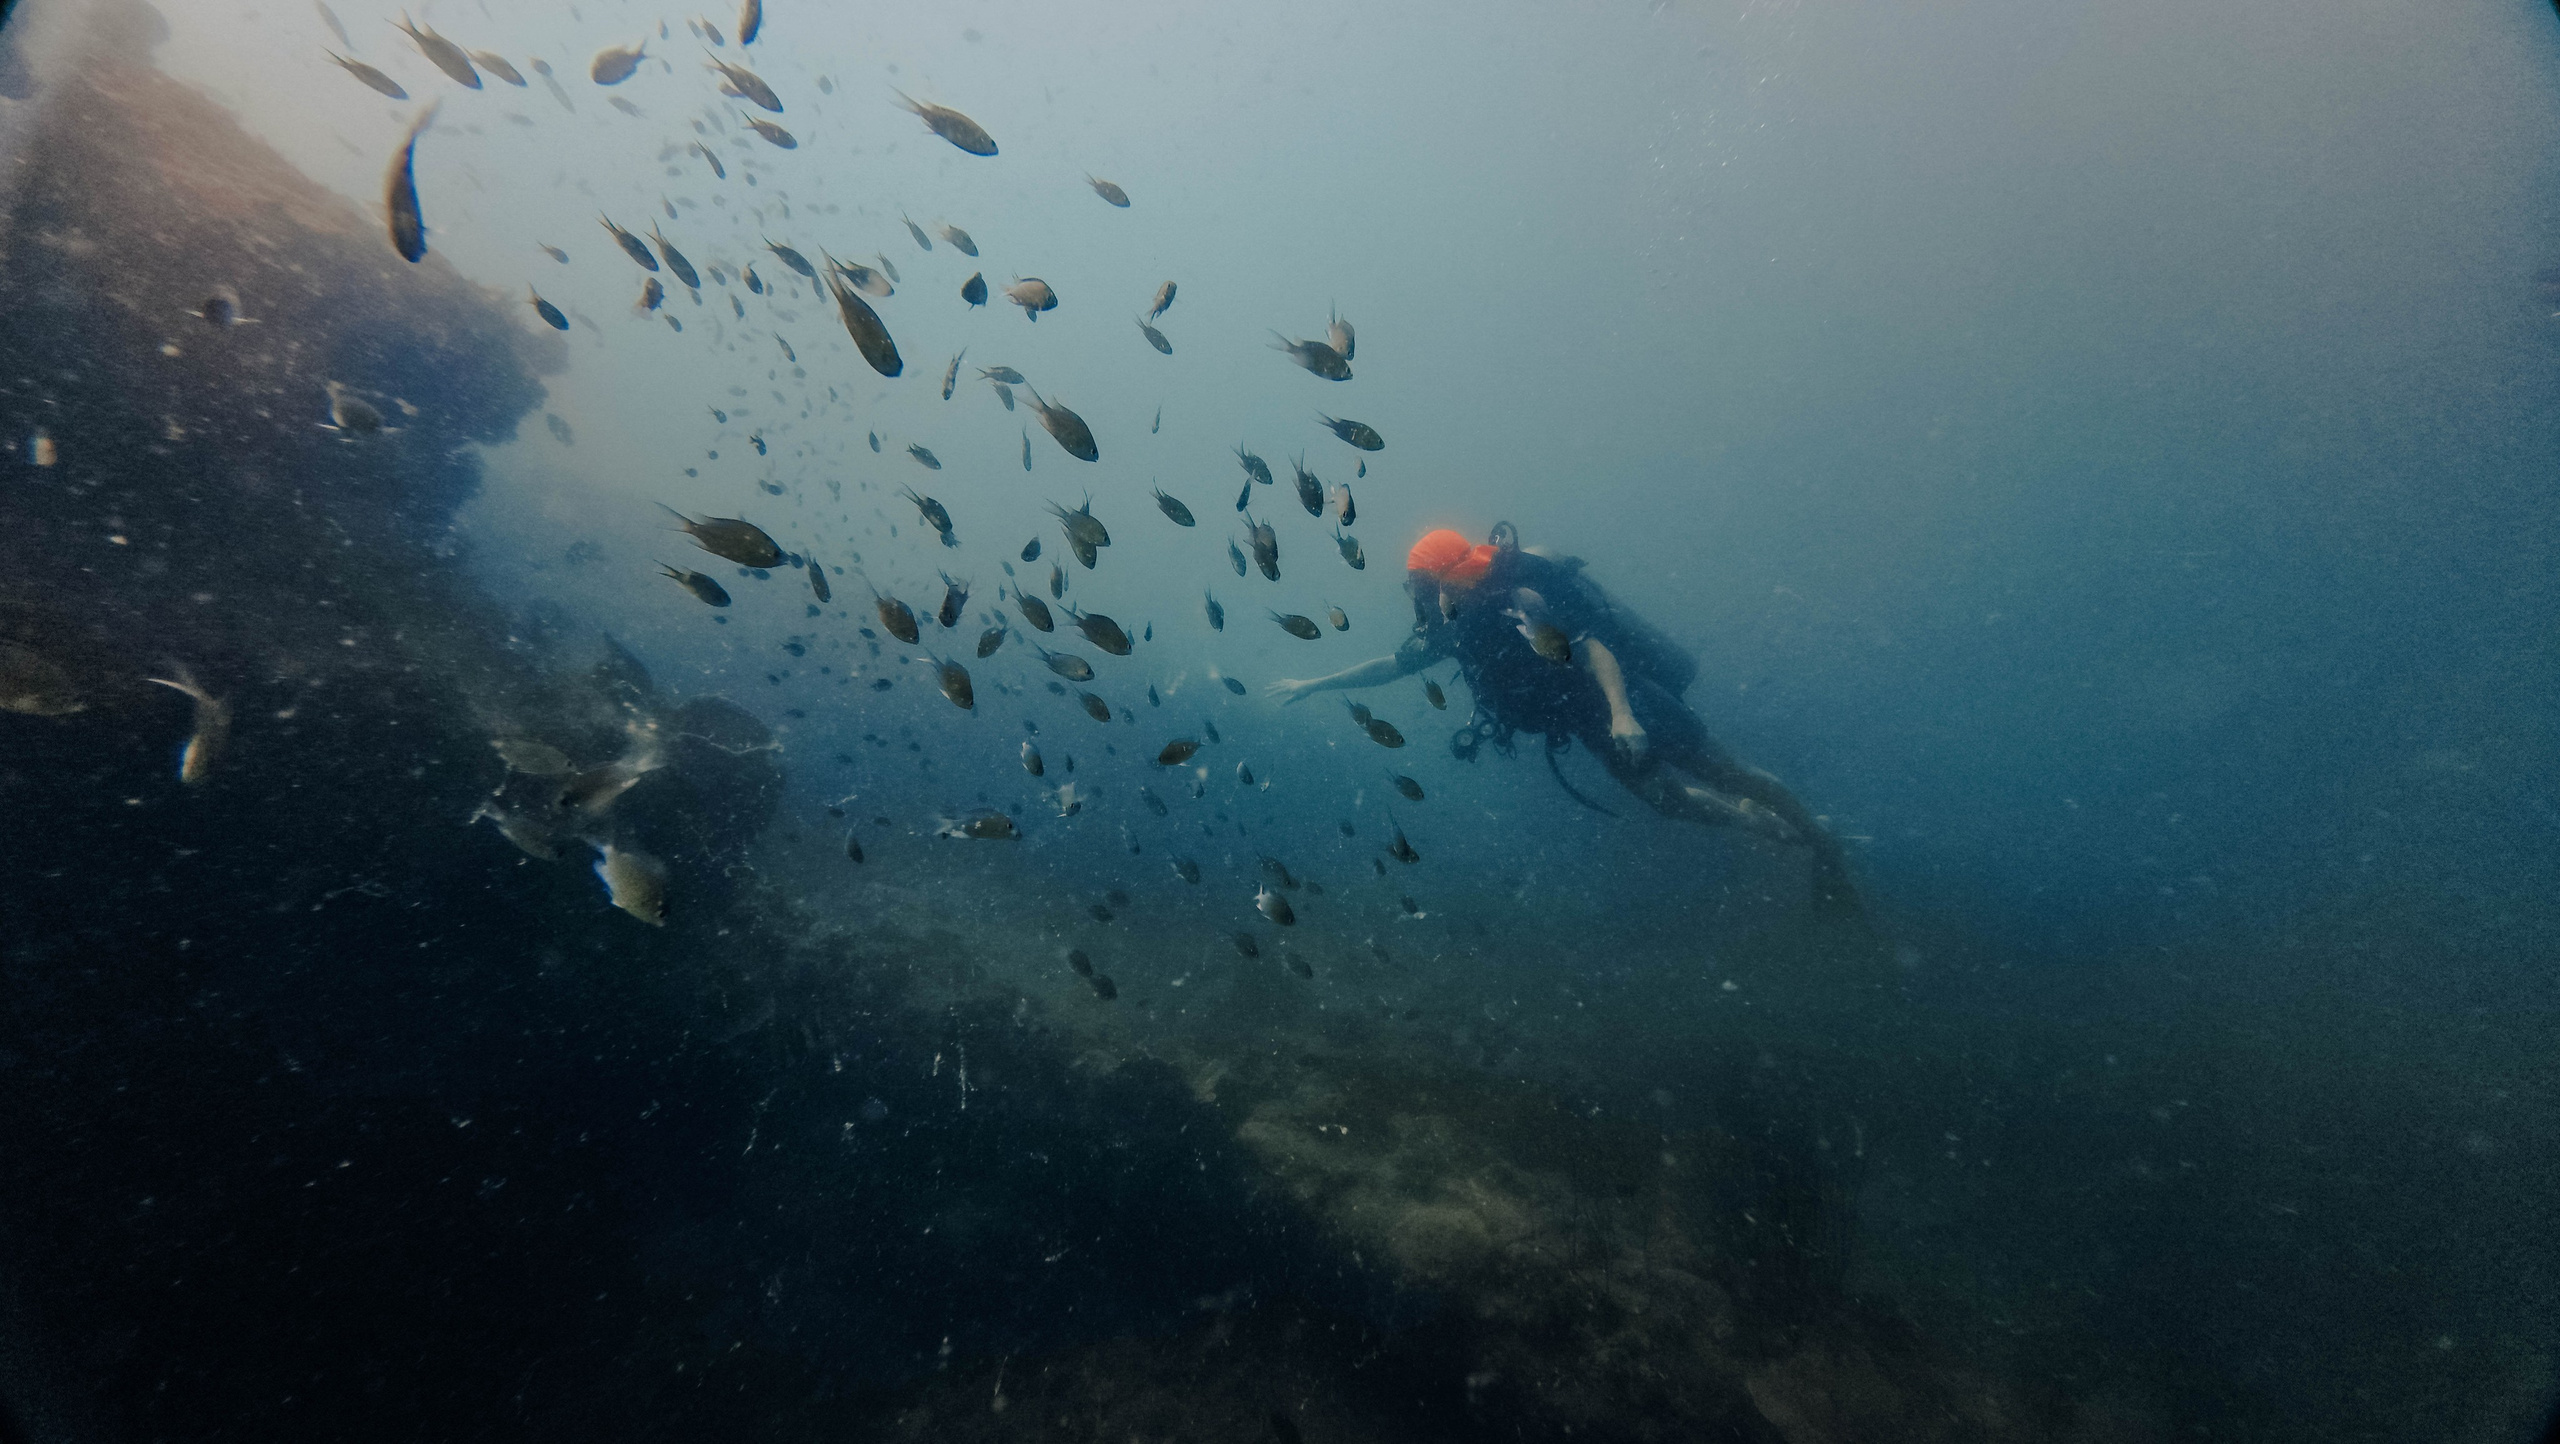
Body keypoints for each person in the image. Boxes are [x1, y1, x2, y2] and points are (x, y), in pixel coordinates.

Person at [1268, 524, 1859, 916]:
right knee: (1669, 801)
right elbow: (1389, 667)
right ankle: (1768, 824)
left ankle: (1818, 835)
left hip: (1627, 701)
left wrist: (1624, 715)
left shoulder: (1518, 600)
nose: (1415, 593)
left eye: (1422, 582)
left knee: (1726, 770)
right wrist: (1314, 685)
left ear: (1453, 571)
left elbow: (1592, 646)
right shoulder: (1450, 624)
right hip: (1583, 721)